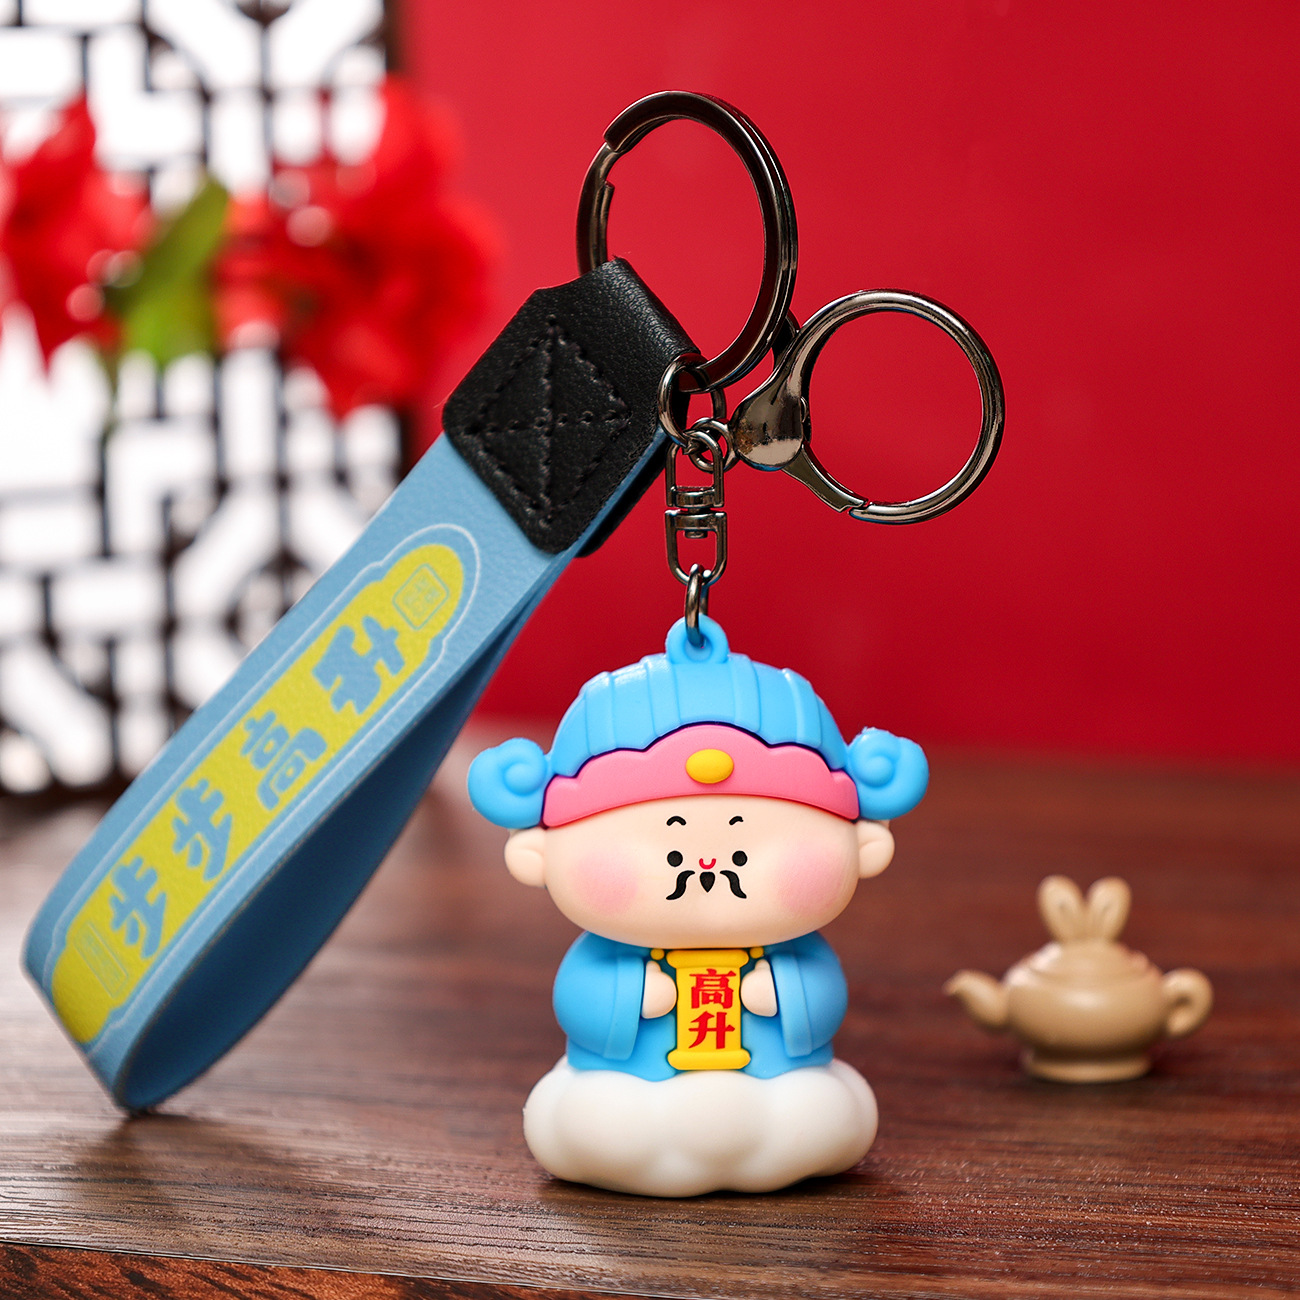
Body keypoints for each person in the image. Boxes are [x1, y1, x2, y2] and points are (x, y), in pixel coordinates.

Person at [468, 615, 927, 1196]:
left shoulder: (796, 952)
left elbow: (822, 1001)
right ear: (539, 856)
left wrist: (787, 994)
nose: (706, 864)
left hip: (778, 1079)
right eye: (671, 841)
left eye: (743, 839)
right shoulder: (608, 955)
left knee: (820, 1111)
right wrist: (628, 998)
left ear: (863, 847)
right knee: (597, 1118)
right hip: (630, 1081)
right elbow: (580, 1002)